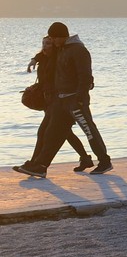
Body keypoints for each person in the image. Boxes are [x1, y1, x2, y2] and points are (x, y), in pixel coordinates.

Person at [13, 22, 112, 178]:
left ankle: (105, 161)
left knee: (89, 130)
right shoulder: (62, 48)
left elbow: (85, 76)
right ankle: (41, 166)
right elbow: (45, 53)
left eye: (54, 38)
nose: (52, 41)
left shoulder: (78, 50)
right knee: (51, 134)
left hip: (75, 101)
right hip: (61, 102)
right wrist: (34, 58)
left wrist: (80, 98)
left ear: (61, 36)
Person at [24, 37, 93, 172]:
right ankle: (85, 158)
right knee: (65, 133)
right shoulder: (43, 58)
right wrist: (35, 59)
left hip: (59, 101)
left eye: (48, 43)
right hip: (48, 101)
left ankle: (35, 163)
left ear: (54, 46)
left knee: (45, 132)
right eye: (43, 43)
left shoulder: (58, 59)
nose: (45, 46)